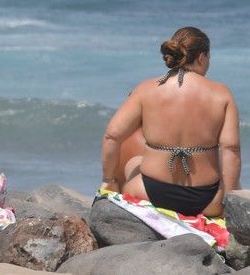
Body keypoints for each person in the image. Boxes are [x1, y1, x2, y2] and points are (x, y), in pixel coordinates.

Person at [100, 27, 241, 217]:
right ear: (201, 57)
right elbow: (231, 149)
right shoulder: (221, 93)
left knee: (133, 162)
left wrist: (109, 180)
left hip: (149, 194)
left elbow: (112, 136)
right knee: (232, 182)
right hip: (206, 202)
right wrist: (229, 199)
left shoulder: (147, 88)